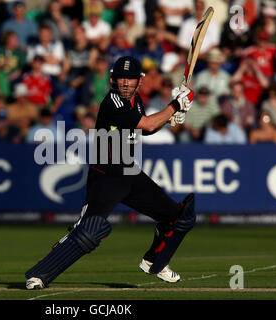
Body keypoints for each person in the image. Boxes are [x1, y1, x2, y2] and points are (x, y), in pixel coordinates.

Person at [25, 56, 196, 289]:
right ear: (114, 79)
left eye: (131, 79)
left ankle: (155, 261)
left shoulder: (134, 102)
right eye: (122, 79)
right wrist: (175, 105)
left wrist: (169, 119)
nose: (126, 83)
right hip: (106, 176)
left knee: (179, 217)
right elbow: (147, 124)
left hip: (129, 172)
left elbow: (143, 130)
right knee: (88, 231)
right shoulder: (113, 101)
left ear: (139, 81)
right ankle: (40, 275)